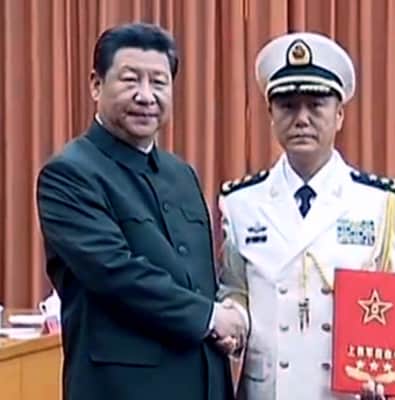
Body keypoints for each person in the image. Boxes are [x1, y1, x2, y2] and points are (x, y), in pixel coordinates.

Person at [36, 22, 246, 400]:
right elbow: (116, 273)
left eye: (159, 82)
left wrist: (230, 313)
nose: (146, 96)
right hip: (123, 389)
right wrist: (211, 317)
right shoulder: (69, 173)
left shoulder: (182, 174)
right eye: (130, 80)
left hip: (204, 385)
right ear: (96, 85)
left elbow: (199, 278)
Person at [217, 32, 395, 400]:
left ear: (339, 115)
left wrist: (385, 377)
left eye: (316, 105)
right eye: (288, 105)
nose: (301, 119)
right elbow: (235, 291)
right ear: (271, 115)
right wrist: (233, 324)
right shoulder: (241, 202)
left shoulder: (379, 201)